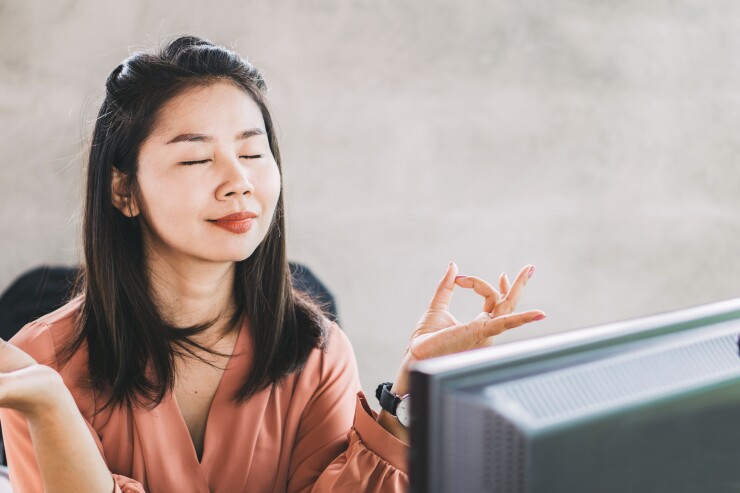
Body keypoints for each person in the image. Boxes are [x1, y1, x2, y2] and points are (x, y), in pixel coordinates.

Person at [0, 35, 546, 493]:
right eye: (195, 157)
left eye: (253, 152)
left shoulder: (316, 351)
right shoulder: (40, 366)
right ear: (124, 189)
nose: (238, 180)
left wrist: (410, 391)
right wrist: (49, 405)